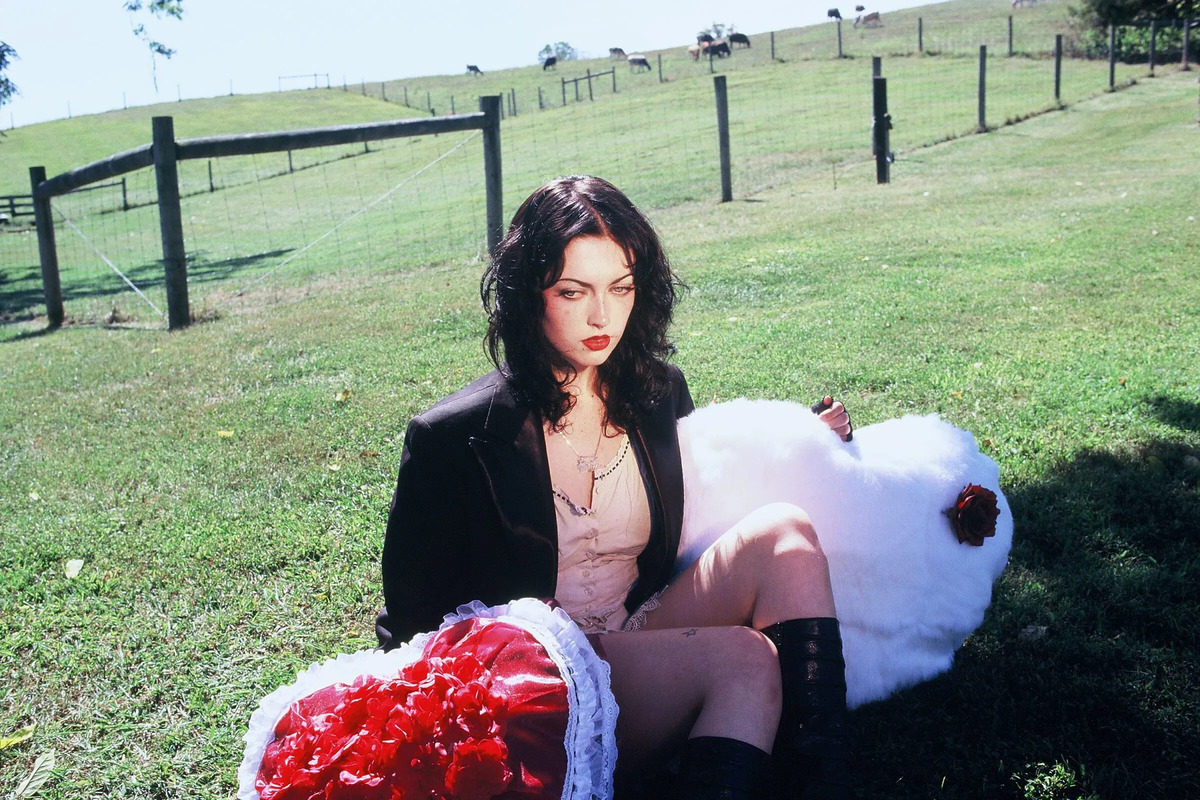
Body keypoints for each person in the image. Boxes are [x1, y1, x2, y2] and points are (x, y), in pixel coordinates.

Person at [376, 175, 853, 800]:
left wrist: (805, 438)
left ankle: (820, 773)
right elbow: (412, 623)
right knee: (744, 659)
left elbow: (710, 496)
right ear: (529, 294)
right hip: (534, 680)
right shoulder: (454, 436)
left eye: (621, 288)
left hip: (639, 631)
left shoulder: (657, 392)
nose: (603, 316)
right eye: (573, 291)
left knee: (785, 533)